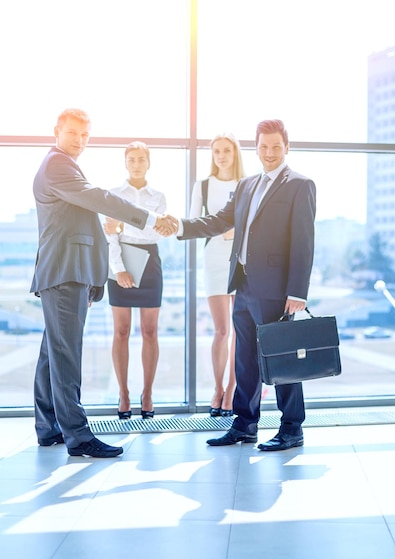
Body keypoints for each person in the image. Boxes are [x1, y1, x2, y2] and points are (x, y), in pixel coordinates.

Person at [31, 108, 176, 458]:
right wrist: (148, 217)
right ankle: (78, 436)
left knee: (53, 353)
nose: (79, 140)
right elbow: (99, 200)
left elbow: (83, 221)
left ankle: (48, 426)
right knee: (66, 355)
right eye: (72, 133)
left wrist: (95, 277)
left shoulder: (63, 165)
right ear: (57, 132)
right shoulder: (57, 165)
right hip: (65, 272)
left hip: (68, 271)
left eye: (84, 135)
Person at [177, 119, 316, 451]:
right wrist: (180, 227)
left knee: (280, 359)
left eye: (275, 147)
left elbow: (304, 241)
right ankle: (244, 424)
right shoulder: (247, 185)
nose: (269, 153)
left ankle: (292, 427)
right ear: (256, 147)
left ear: (287, 148)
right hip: (243, 283)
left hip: (277, 288)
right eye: (263, 146)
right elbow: (218, 220)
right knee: (245, 358)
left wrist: (298, 291)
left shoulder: (300, 184)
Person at [103, 141, 166, 420]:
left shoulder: (159, 196)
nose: (137, 164)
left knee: (150, 331)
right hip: (121, 260)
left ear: (148, 163)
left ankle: (148, 394)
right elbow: (109, 234)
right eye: (132, 159)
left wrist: (123, 223)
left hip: (150, 262)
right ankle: (125, 394)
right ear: (125, 162)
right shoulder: (114, 194)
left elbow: (159, 231)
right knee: (122, 331)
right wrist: (119, 269)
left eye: (141, 159)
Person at [190, 133, 245, 418]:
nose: (221, 156)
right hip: (213, 260)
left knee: (239, 330)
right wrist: (219, 229)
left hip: (241, 260)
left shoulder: (247, 184)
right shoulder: (203, 186)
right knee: (221, 330)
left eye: (226, 150)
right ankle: (218, 387)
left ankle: (234, 387)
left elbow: (256, 224)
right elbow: (193, 223)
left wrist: (236, 232)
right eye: (216, 151)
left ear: (235, 153)